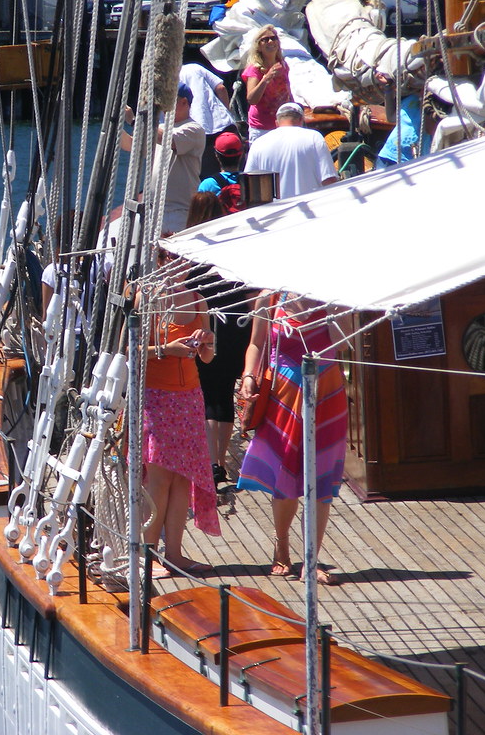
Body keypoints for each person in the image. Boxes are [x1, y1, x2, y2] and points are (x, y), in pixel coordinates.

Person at [236, 292, 349, 585]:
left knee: (321, 477)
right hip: (284, 392)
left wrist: (333, 309)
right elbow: (256, 344)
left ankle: (310, 561)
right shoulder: (270, 298)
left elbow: (342, 344)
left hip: (327, 391)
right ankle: (282, 545)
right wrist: (248, 376)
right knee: (285, 475)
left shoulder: (335, 293)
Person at [143, 254, 219, 577]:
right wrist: (167, 349)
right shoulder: (147, 299)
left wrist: (206, 342)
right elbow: (130, 350)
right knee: (159, 480)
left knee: (181, 478)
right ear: (160, 261)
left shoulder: (199, 301)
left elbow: (208, 358)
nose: (179, 266)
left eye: (183, 260)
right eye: (171, 259)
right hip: (157, 398)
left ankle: (174, 554)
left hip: (189, 398)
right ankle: (147, 554)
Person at [184, 192, 252, 490]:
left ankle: (210, 460)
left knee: (205, 393)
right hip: (235, 325)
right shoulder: (233, 247)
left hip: (203, 326)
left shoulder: (188, 249)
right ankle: (220, 460)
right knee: (222, 393)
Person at [121, 82, 206, 236]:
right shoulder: (158, 128)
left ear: (184, 102)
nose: (163, 106)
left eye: (168, 100)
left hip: (178, 211)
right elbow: (133, 145)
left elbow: (169, 140)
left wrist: (134, 121)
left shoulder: (194, 129)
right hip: (154, 210)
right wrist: (115, 126)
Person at [244, 102, 338, 199]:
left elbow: (249, 185)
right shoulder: (314, 137)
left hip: (276, 208)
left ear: (276, 123)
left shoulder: (258, 143)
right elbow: (329, 180)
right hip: (312, 205)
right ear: (301, 120)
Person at [178, 61, 239, 180]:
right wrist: (226, 112)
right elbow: (221, 88)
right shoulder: (195, 67)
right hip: (224, 125)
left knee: (209, 179)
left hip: (198, 132)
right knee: (234, 175)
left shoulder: (169, 79)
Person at [242, 25, 293, 142]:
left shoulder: (283, 65)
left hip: (282, 123)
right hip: (262, 127)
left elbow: (287, 91)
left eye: (274, 38)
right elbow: (251, 99)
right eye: (265, 39)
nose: (270, 41)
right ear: (259, 46)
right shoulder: (254, 69)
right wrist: (266, 78)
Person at [374, 75, 434, 168]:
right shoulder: (411, 98)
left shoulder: (433, 107)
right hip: (387, 155)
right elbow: (391, 117)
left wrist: (424, 99)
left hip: (411, 160)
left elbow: (429, 129)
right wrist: (387, 88)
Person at [197, 131, 245, 210]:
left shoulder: (207, 185)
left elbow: (200, 214)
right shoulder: (250, 181)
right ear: (241, 154)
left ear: (216, 155)